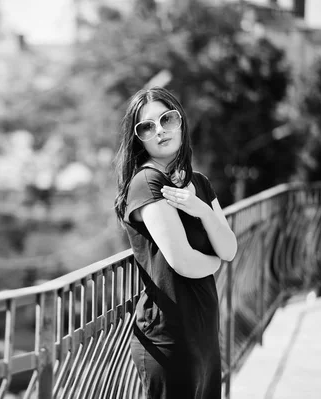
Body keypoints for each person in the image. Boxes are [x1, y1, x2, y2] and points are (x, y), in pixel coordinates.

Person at [113, 87, 237, 399]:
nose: (160, 131)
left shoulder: (199, 184)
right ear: (138, 138)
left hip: (204, 331)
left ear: (180, 121)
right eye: (147, 127)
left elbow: (231, 247)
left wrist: (200, 210)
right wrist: (215, 261)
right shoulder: (146, 183)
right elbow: (183, 261)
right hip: (168, 338)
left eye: (166, 119)